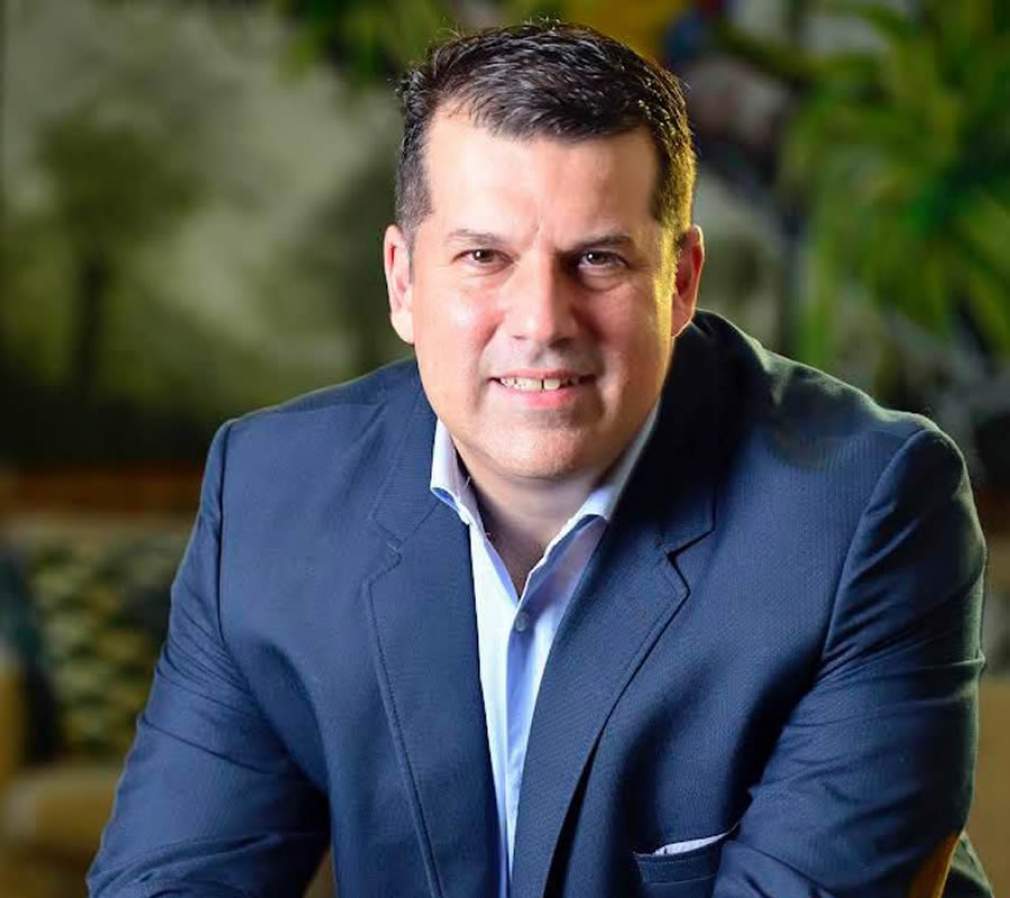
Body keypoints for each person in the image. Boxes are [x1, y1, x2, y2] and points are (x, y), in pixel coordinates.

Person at [88, 20, 992, 898]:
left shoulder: (865, 510)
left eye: (596, 259)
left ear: (679, 282)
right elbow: (170, 879)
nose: (541, 323)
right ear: (403, 280)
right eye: (484, 256)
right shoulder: (271, 495)